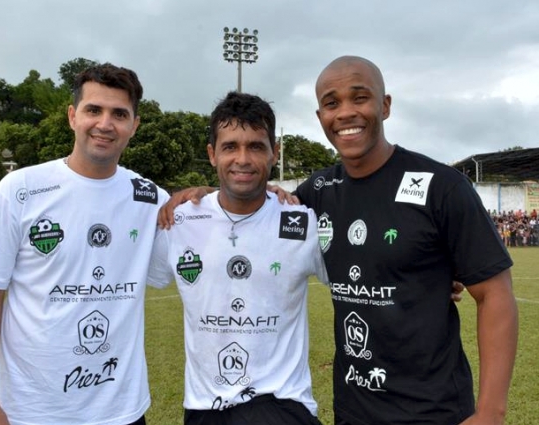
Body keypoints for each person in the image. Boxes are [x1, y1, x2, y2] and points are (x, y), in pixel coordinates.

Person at [158, 56, 518, 425]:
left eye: (359, 98)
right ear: (320, 117)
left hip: (434, 409)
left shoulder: (440, 186)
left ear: (385, 105)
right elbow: (258, 200)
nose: (345, 112)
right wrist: (201, 193)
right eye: (332, 103)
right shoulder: (317, 193)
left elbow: (495, 294)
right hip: (354, 409)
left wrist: (490, 411)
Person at [0, 63, 169, 425]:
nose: (105, 124)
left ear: (134, 126)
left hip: (120, 412)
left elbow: (211, 222)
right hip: (33, 412)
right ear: (73, 116)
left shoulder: (150, 198)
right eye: (94, 110)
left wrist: (269, 196)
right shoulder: (21, 190)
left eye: (119, 114)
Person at [147, 91, 327, 425]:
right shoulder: (179, 222)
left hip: (283, 406)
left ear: (274, 154)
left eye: (256, 146)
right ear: (212, 155)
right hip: (204, 410)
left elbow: (361, 278)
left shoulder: (303, 223)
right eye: (230, 147)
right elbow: (128, 279)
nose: (243, 159)